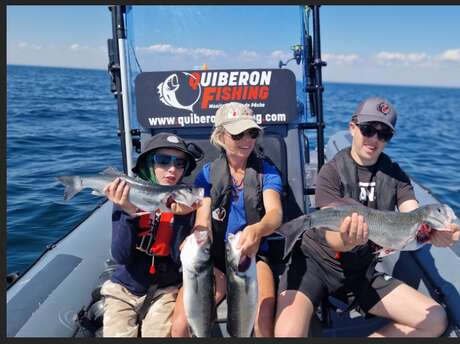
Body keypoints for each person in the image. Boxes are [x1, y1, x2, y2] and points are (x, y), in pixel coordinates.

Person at [274, 97, 460, 337]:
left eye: (383, 134)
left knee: (435, 319)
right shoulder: (331, 171)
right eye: (368, 129)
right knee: (287, 333)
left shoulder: (395, 175)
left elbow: (412, 213)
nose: (374, 139)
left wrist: (434, 234)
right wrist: (349, 239)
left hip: (362, 270)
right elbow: (331, 237)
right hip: (315, 264)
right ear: (353, 127)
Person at [171, 102, 284, 337]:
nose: (246, 139)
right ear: (221, 136)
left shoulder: (267, 172)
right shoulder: (207, 175)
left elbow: (275, 214)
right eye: (237, 134)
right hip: (214, 260)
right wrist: (198, 237)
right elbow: (203, 216)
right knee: (180, 324)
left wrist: (258, 229)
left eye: (251, 133)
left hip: (252, 256)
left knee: (263, 315)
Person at [100, 132, 202, 337]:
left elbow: (177, 257)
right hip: (123, 289)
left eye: (179, 163)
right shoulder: (128, 197)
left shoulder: (188, 201)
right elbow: (120, 256)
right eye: (163, 161)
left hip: (164, 290)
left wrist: (181, 217)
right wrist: (128, 213)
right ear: (149, 163)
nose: (172, 169)